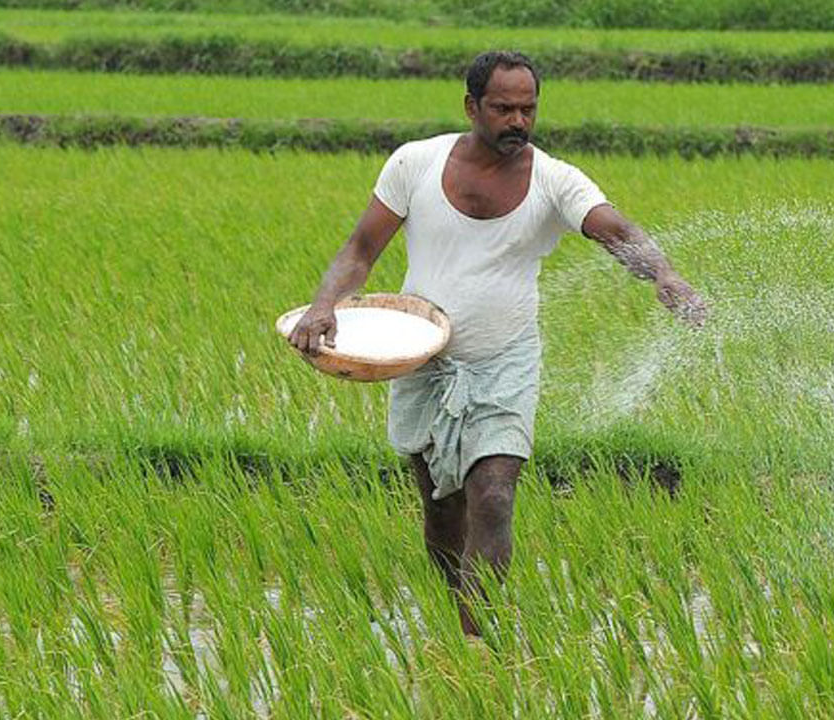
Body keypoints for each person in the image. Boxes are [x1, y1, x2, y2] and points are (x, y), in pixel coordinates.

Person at [289, 50, 707, 637]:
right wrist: (325, 304)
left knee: (493, 495)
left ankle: (477, 637)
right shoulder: (415, 164)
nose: (518, 121)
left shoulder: (556, 180)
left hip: (504, 360)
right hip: (422, 359)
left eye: (528, 109)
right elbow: (360, 250)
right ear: (471, 106)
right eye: (504, 108)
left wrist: (663, 273)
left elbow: (616, 229)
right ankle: (455, 613)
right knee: (441, 511)